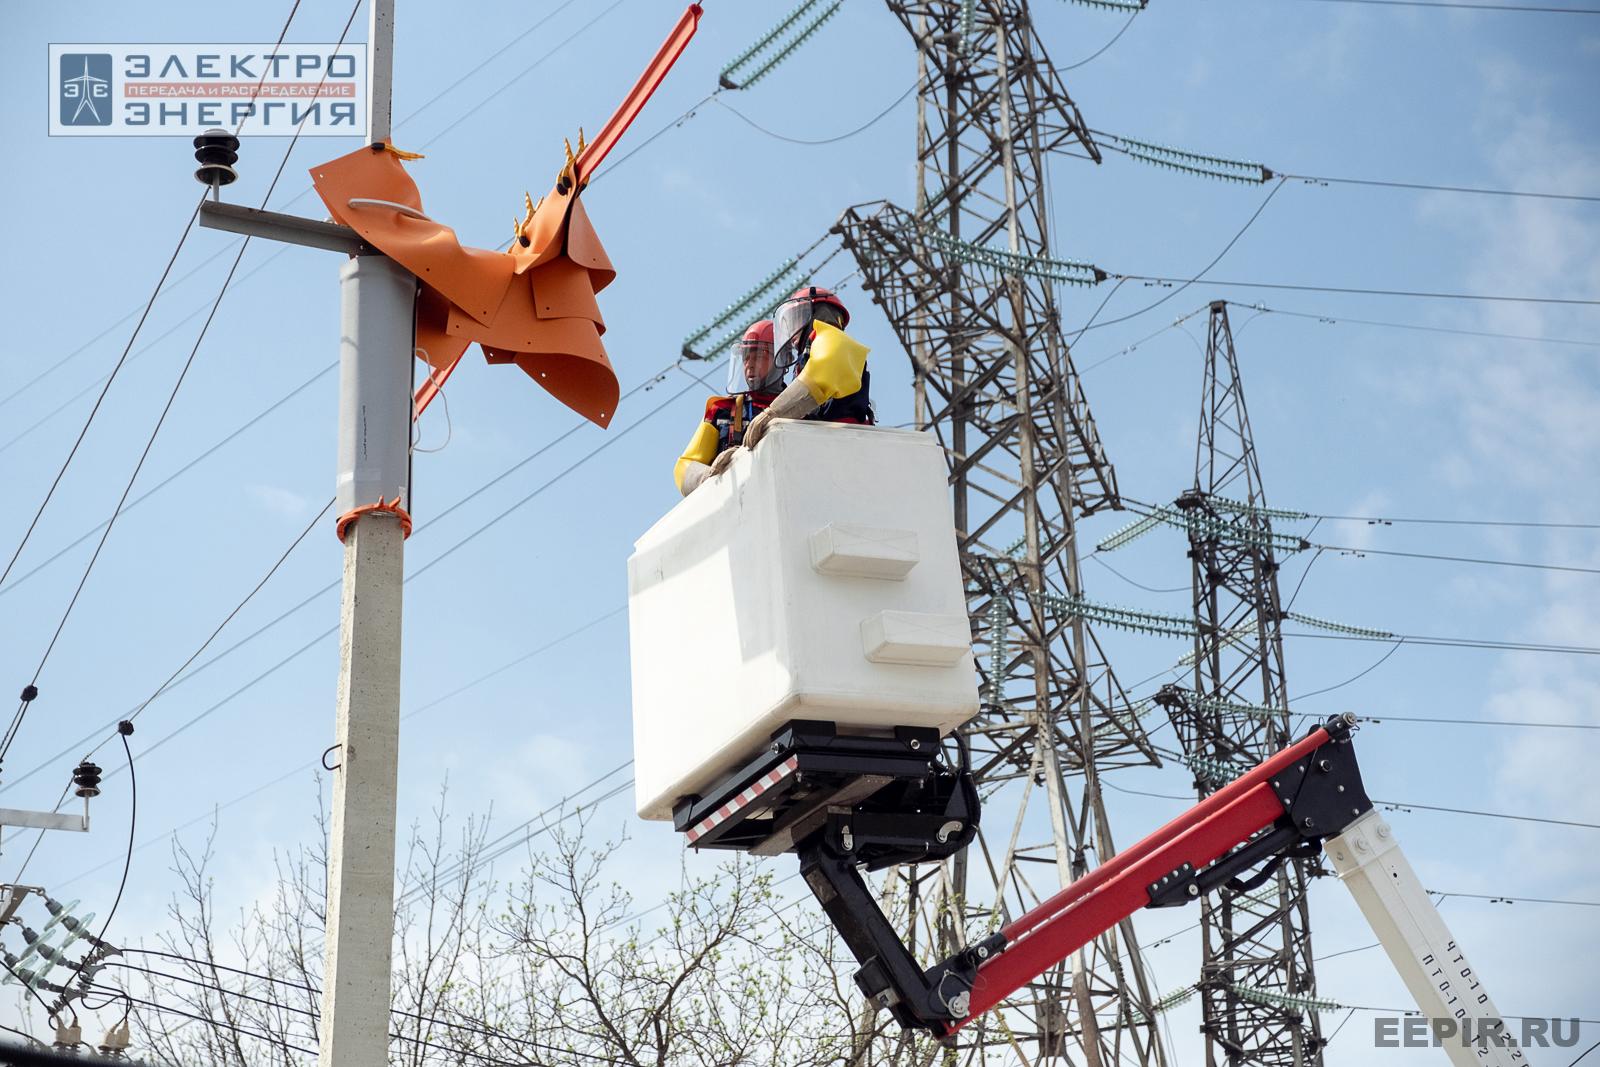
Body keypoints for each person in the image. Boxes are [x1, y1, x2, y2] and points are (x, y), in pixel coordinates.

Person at [740, 285, 872, 450]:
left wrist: (772, 414)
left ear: (815, 314)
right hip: (828, 445)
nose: (792, 332)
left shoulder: (834, 340)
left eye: (795, 319)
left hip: (845, 444)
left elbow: (817, 381)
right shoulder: (810, 357)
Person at [673, 320, 783, 496]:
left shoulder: (802, 410)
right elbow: (684, 466)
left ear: (782, 359)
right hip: (738, 503)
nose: (749, 364)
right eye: (746, 357)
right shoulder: (722, 410)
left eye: (759, 356)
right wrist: (708, 477)